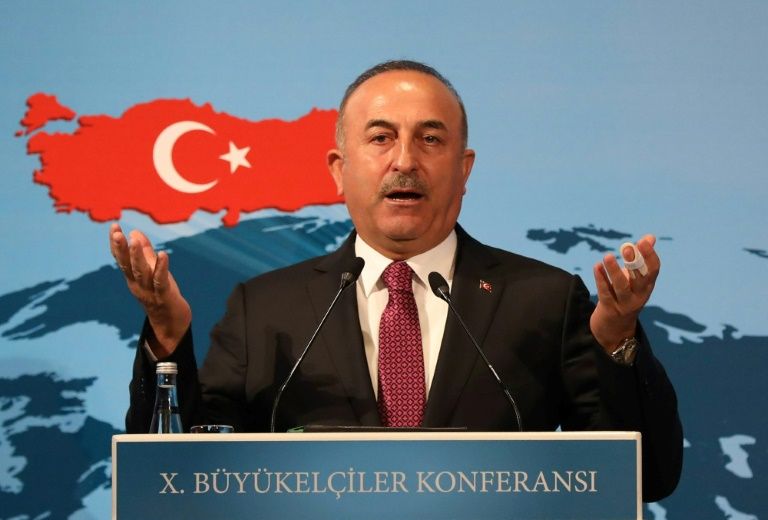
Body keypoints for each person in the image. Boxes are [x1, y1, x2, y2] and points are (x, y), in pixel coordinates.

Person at [111, 60, 682, 501]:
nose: (405, 160)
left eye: (430, 139)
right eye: (381, 137)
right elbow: (180, 480)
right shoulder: (265, 308)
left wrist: (616, 339)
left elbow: (646, 477)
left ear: (464, 169)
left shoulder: (542, 299)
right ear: (340, 170)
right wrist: (167, 335)